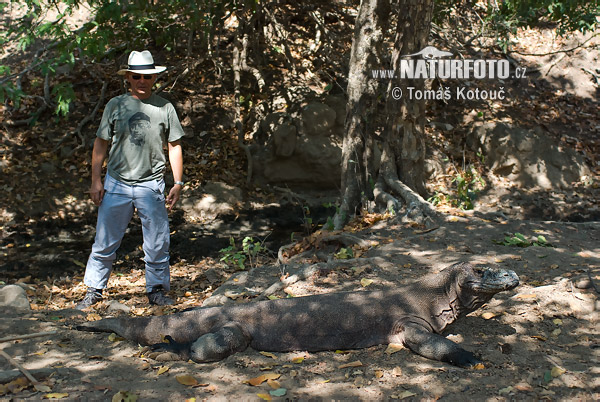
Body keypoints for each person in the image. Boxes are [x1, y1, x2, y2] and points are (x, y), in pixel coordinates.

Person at [76, 50, 185, 309]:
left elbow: (175, 146)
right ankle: (94, 290)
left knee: (158, 241)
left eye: (147, 76)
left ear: (154, 77)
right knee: (104, 240)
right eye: (136, 76)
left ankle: (156, 290)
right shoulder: (116, 105)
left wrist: (178, 183)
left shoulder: (164, 107)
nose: (142, 80)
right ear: (128, 77)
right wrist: (95, 180)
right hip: (117, 182)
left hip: (152, 184)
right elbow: (100, 143)